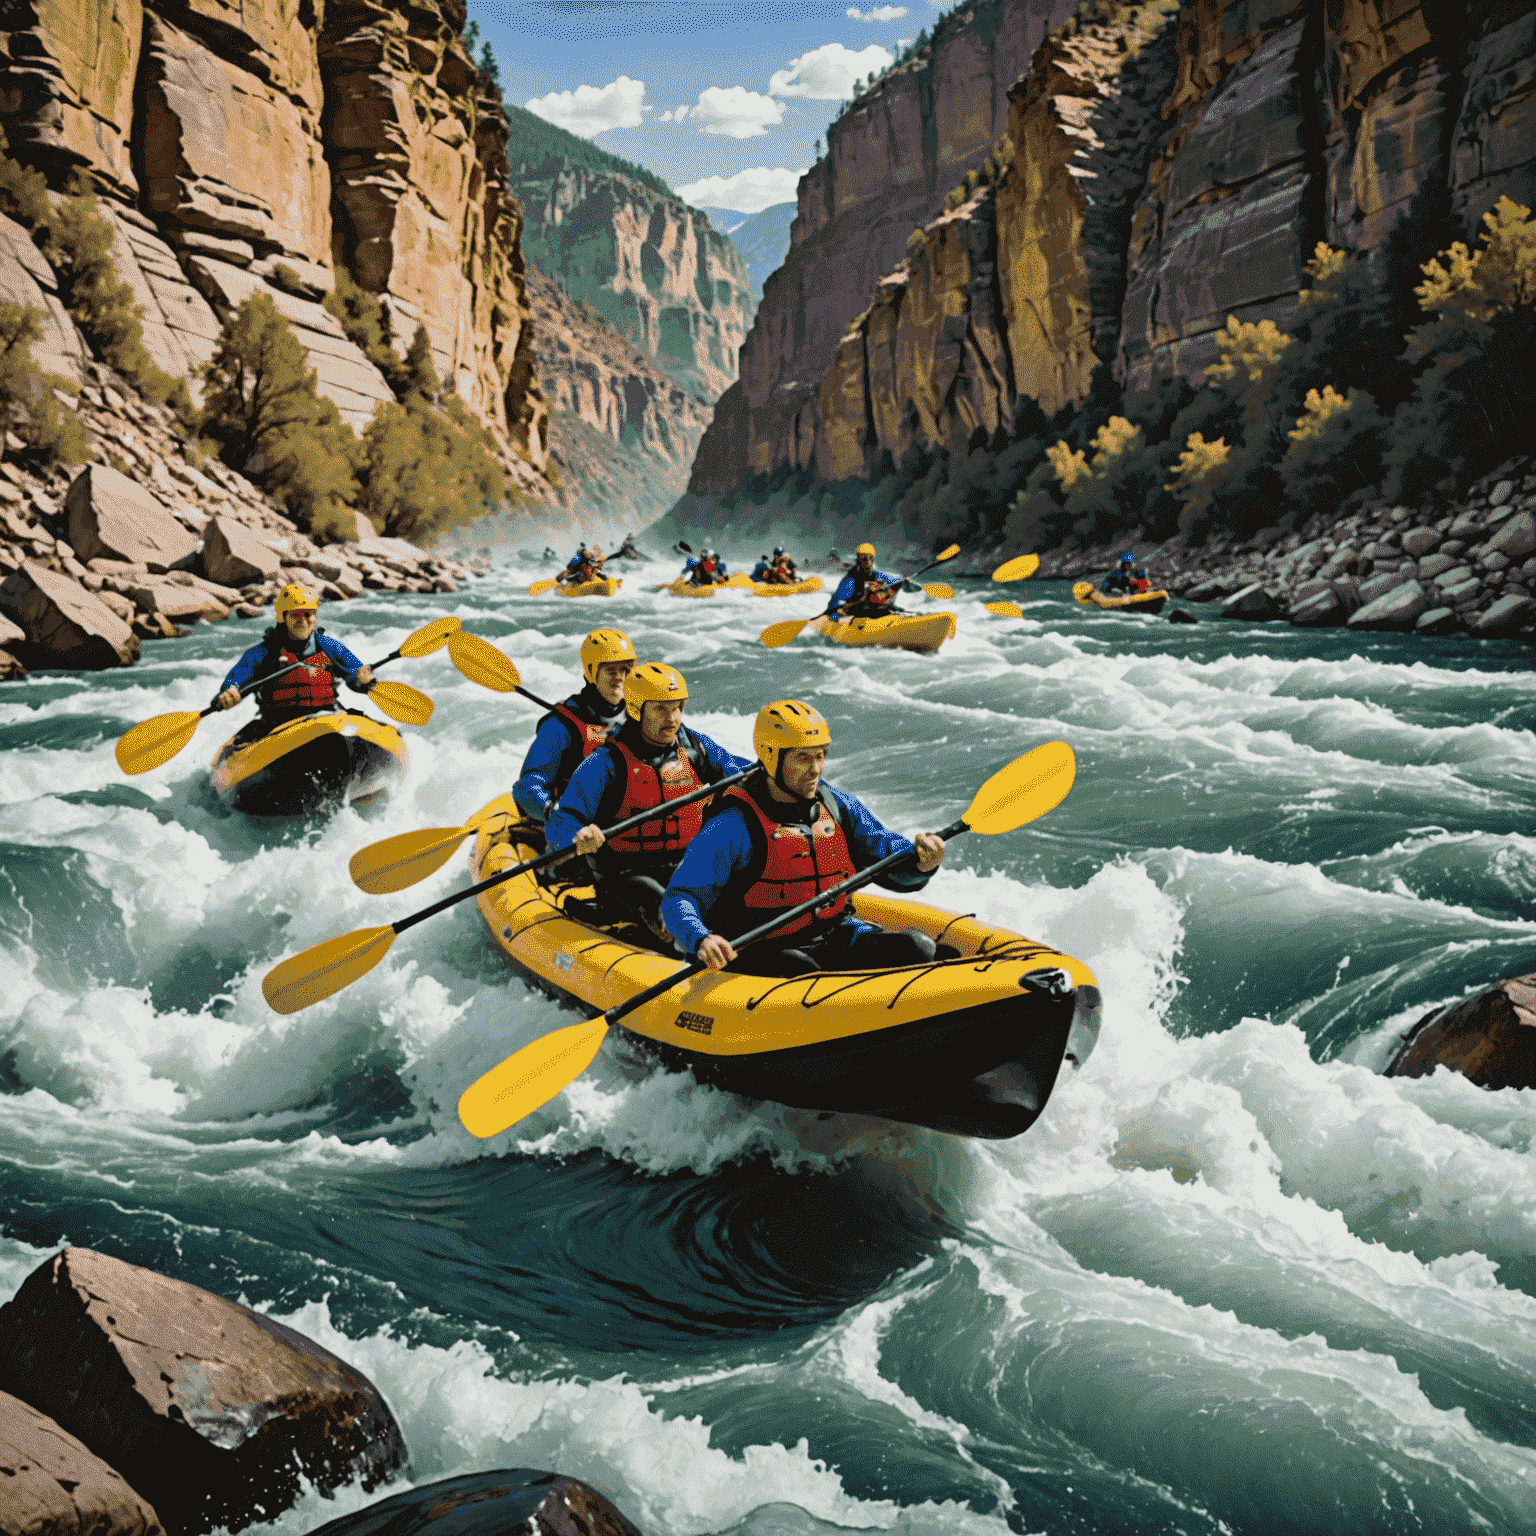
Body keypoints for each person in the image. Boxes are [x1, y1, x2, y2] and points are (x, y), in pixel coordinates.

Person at [662, 700, 945, 977]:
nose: (816, 769)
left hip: (833, 934)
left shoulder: (837, 806)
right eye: (803, 758)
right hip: (763, 949)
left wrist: (921, 864)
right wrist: (701, 939)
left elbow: (888, 858)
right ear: (771, 757)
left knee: (916, 948)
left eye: (820, 755)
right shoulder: (732, 825)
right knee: (803, 971)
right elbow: (680, 897)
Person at [547, 663, 752, 931]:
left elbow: (739, 776)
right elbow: (563, 820)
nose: (673, 718)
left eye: (678, 707)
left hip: (687, 864)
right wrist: (579, 834)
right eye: (661, 709)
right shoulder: (606, 763)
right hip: (627, 875)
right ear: (635, 710)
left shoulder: (695, 748)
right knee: (661, 902)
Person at [212, 582, 374, 743]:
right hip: (279, 726)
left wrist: (363, 680)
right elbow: (237, 679)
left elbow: (355, 674)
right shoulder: (261, 653)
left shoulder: (330, 646)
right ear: (283, 617)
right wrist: (229, 692)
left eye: (309, 614)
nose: (304, 621)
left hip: (327, 717)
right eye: (296, 614)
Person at [512, 629, 636, 823]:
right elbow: (527, 787)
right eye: (611, 670)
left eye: (625, 669)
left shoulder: (639, 715)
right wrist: (560, 816)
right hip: (575, 827)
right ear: (591, 671)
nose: (620, 677)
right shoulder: (561, 725)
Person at [826, 542, 910, 619]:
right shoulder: (850, 581)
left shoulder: (877, 574)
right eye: (864, 559)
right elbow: (837, 605)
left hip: (873, 610)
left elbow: (895, 580)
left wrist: (904, 581)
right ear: (858, 559)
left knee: (884, 602)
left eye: (871, 558)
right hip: (855, 613)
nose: (868, 562)